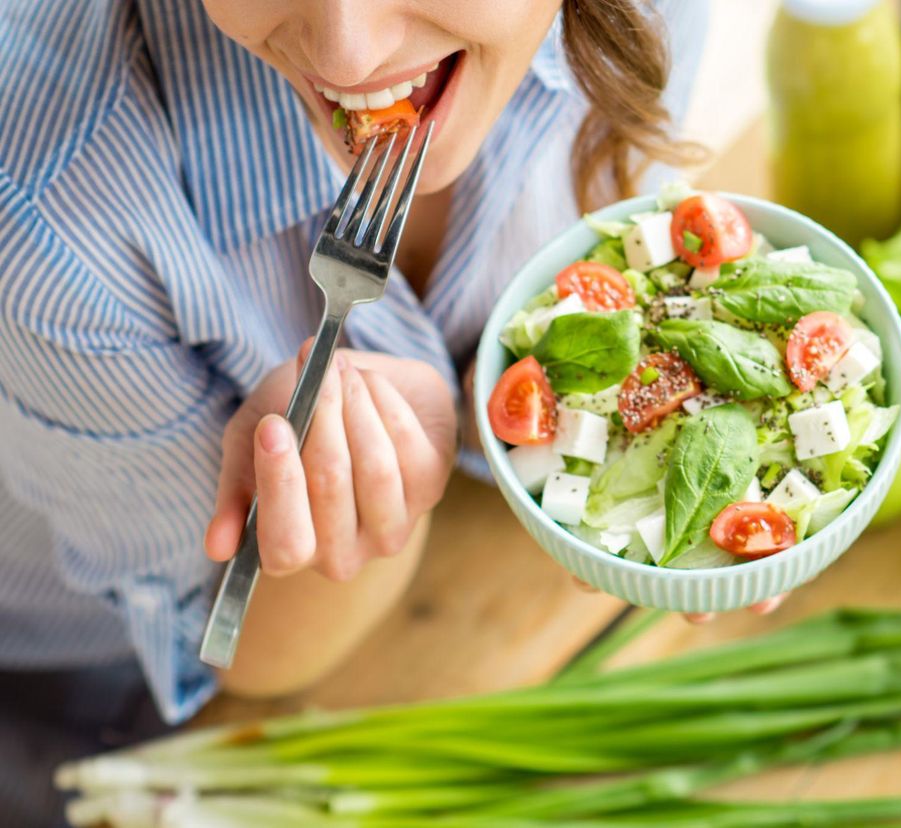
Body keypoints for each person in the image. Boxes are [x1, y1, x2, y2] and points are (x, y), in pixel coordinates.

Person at [0, 0, 715, 823]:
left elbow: (610, 282)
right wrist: (342, 475)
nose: (347, 53)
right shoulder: (50, 214)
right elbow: (236, 650)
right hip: (80, 676)